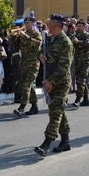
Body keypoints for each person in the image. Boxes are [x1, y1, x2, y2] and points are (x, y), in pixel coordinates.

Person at [34, 14, 73, 157]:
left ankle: (47, 143)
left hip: (61, 83)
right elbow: (41, 51)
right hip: (49, 80)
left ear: (56, 26)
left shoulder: (66, 43)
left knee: (55, 112)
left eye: (49, 24)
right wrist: (40, 55)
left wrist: (51, 81)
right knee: (58, 111)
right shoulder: (49, 39)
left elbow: (63, 67)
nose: (47, 26)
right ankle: (65, 141)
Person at [9, 17, 42, 117]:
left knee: (26, 85)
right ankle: (34, 106)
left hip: (33, 63)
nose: (26, 25)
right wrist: (13, 36)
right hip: (23, 63)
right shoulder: (22, 33)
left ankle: (22, 107)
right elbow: (15, 45)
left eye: (28, 23)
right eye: (25, 23)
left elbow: (36, 45)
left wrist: (25, 36)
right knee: (29, 86)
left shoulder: (37, 34)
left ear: (33, 24)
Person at [71, 19, 89, 108]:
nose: (78, 28)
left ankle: (78, 99)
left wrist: (78, 42)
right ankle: (86, 99)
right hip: (77, 60)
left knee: (81, 80)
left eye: (80, 26)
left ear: (85, 27)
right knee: (80, 80)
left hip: (85, 61)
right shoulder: (75, 35)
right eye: (77, 26)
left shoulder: (88, 35)